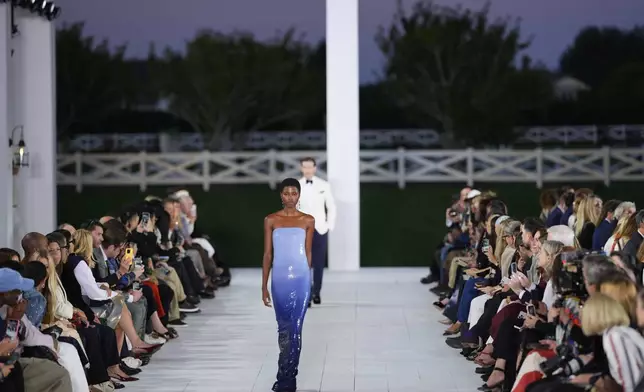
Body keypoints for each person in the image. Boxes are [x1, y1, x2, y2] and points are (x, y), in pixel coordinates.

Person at [262, 178, 315, 392]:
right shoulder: (271, 220)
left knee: (296, 329)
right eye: (286, 193)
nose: (290, 197)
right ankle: (285, 378)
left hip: (301, 279)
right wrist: (263, 285)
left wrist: (309, 281)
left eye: (294, 193)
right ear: (281, 195)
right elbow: (267, 254)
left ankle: (286, 380)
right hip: (279, 279)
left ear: (299, 195)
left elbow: (308, 253)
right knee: (283, 329)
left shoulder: (308, 220)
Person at [297, 157, 336, 306]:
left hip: (320, 229)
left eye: (310, 167)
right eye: (305, 167)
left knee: (318, 263)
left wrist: (328, 226)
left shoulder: (324, 185)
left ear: (314, 168)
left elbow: (331, 206)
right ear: (301, 169)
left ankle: (316, 291)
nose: (307, 170)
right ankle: (307, 294)